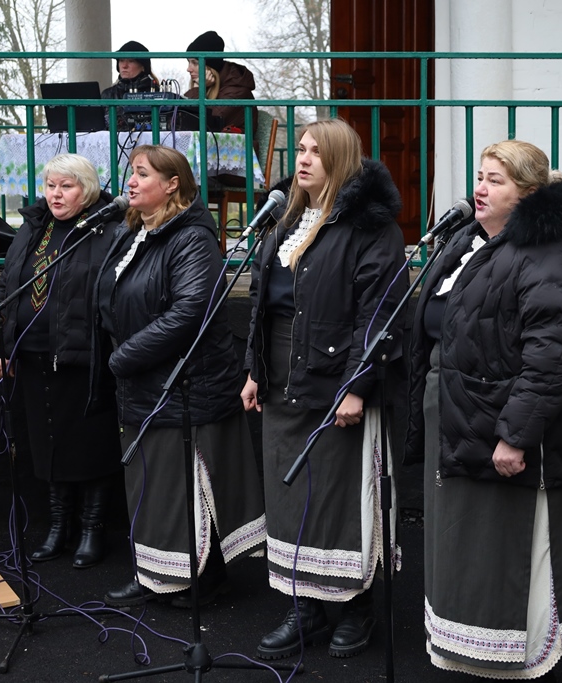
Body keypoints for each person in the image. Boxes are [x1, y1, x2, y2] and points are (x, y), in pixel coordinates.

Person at [407, 140, 562, 679]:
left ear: (529, 192)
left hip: (506, 426)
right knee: (465, 543)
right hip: (459, 415)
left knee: (506, 548)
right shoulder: (472, 240)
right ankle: (471, 652)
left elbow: (554, 354)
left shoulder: (555, 252)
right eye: (479, 176)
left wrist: (515, 435)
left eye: (495, 180)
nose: (480, 188)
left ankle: (520, 659)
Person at [241, 118, 407, 660]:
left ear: (340, 160)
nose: (303, 159)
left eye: (316, 151)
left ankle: (356, 608)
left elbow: (378, 315)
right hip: (283, 376)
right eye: (301, 150)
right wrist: (254, 369)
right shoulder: (286, 217)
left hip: (337, 379)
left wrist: (355, 386)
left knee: (340, 500)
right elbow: (263, 304)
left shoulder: (370, 227)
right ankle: (305, 609)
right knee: (290, 497)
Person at [93, 145, 266, 609]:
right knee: (151, 484)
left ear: (172, 185)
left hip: (187, 382)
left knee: (185, 486)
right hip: (141, 381)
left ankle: (203, 578)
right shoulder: (133, 232)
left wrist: (124, 356)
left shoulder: (192, 238)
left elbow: (190, 311)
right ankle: (155, 574)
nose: (131, 181)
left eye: (142, 174)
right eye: (131, 172)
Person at [0, 153, 122, 570]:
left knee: (89, 446)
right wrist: (4, 347)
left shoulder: (107, 230)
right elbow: (7, 288)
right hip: (31, 357)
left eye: (66, 186)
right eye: (51, 186)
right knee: (47, 444)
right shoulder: (34, 228)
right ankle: (58, 526)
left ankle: (92, 529)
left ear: (88, 189)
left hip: (83, 359)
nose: (56, 194)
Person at [184, 31, 256, 131]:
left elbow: (204, 123)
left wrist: (198, 89)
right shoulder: (209, 85)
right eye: (189, 62)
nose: (188, 69)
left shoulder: (237, 91)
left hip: (232, 142)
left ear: (210, 66)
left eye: (195, 63)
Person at [101, 40, 159, 130]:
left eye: (131, 61)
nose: (124, 66)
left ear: (143, 66)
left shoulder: (158, 93)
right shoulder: (107, 94)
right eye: (121, 60)